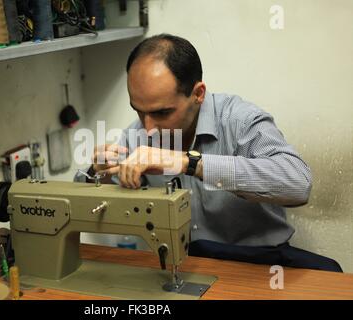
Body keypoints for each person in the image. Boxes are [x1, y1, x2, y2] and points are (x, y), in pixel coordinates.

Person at [75, 34, 342, 272]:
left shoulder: (239, 121)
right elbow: (81, 206)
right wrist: (96, 175)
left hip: (258, 263)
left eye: (162, 112)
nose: (148, 127)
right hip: (185, 263)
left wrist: (189, 163)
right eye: (138, 110)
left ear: (198, 93)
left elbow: (298, 184)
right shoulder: (140, 133)